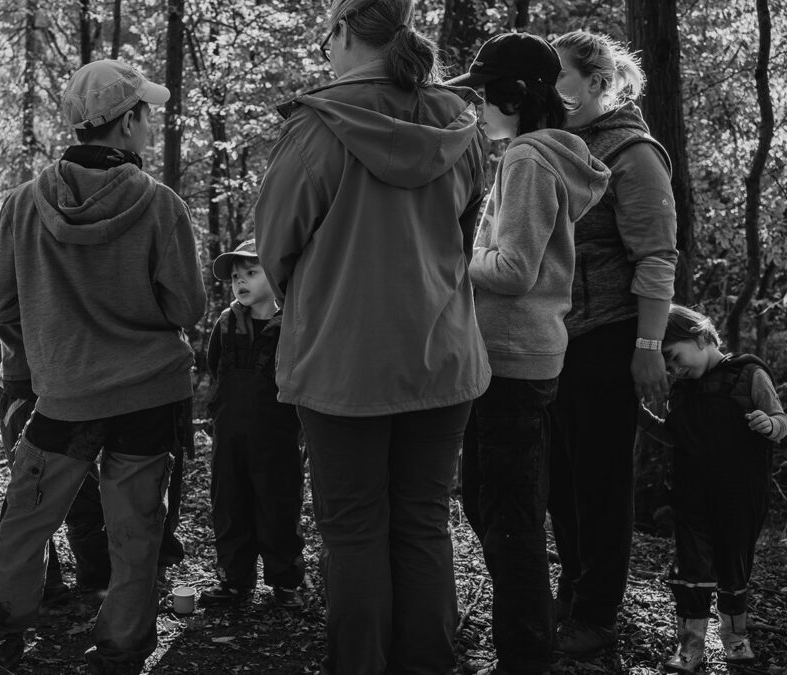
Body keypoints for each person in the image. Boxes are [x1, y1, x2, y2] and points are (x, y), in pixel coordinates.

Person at [254, 0, 490, 670]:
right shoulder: (463, 126)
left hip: (343, 361)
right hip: (441, 355)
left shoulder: (318, 127)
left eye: (326, 33)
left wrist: (320, 291)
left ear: (345, 34)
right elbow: (464, 234)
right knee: (420, 523)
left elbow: (276, 245)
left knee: (354, 529)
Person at [0, 59, 206, 674]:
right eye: (145, 114)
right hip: (149, 393)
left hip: (63, 392)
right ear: (126, 124)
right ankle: (120, 652)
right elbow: (188, 306)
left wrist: (53, 339)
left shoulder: (22, 204)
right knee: (136, 526)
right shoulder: (161, 206)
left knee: (28, 514)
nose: (150, 124)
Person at [446, 32, 609, 675]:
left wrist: (451, 258)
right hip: (516, 353)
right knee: (489, 502)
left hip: (513, 357)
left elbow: (514, 270)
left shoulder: (528, 161)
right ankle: (530, 631)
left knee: (507, 514)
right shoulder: (536, 155)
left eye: (483, 97)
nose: (477, 110)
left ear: (514, 96)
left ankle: (525, 652)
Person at [547, 30, 679, 656]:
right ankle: (572, 590)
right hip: (552, 338)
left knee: (598, 480)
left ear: (598, 83)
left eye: (561, 76)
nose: (552, 90)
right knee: (558, 477)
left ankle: (597, 615)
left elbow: (656, 257)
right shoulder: (556, 142)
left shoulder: (634, 151)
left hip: (610, 336)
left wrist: (648, 347)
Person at [636, 305, 784, 672]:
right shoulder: (682, 391)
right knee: (692, 569)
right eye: (666, 365)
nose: (672, 369)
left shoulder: (748, 374)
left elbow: (781, 420)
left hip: (741, 496)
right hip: (692, 497)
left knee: (735, 567)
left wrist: (770, 423)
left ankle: (736, 641)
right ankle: (690, 648)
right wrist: (640, 416)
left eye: (673, 356)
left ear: (702, 336)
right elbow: (675, 437)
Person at [0, 299, 113, 601]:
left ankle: (97, 578)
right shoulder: (7, 283)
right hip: (23, 396)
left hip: (69, 394)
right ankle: (47, 586)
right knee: (31, 492)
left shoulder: (66, 268)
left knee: (83, 485)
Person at [200, 239, 306, 611]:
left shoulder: (291, 324)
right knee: (230, 504)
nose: (240, 282)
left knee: (278, 505)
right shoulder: (226, 323)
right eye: (234, 277)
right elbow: (214, 367)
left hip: (277, 434)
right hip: (229, 434)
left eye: (251, 273)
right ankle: (234, 579)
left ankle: (285, 581)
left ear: (274, 276)